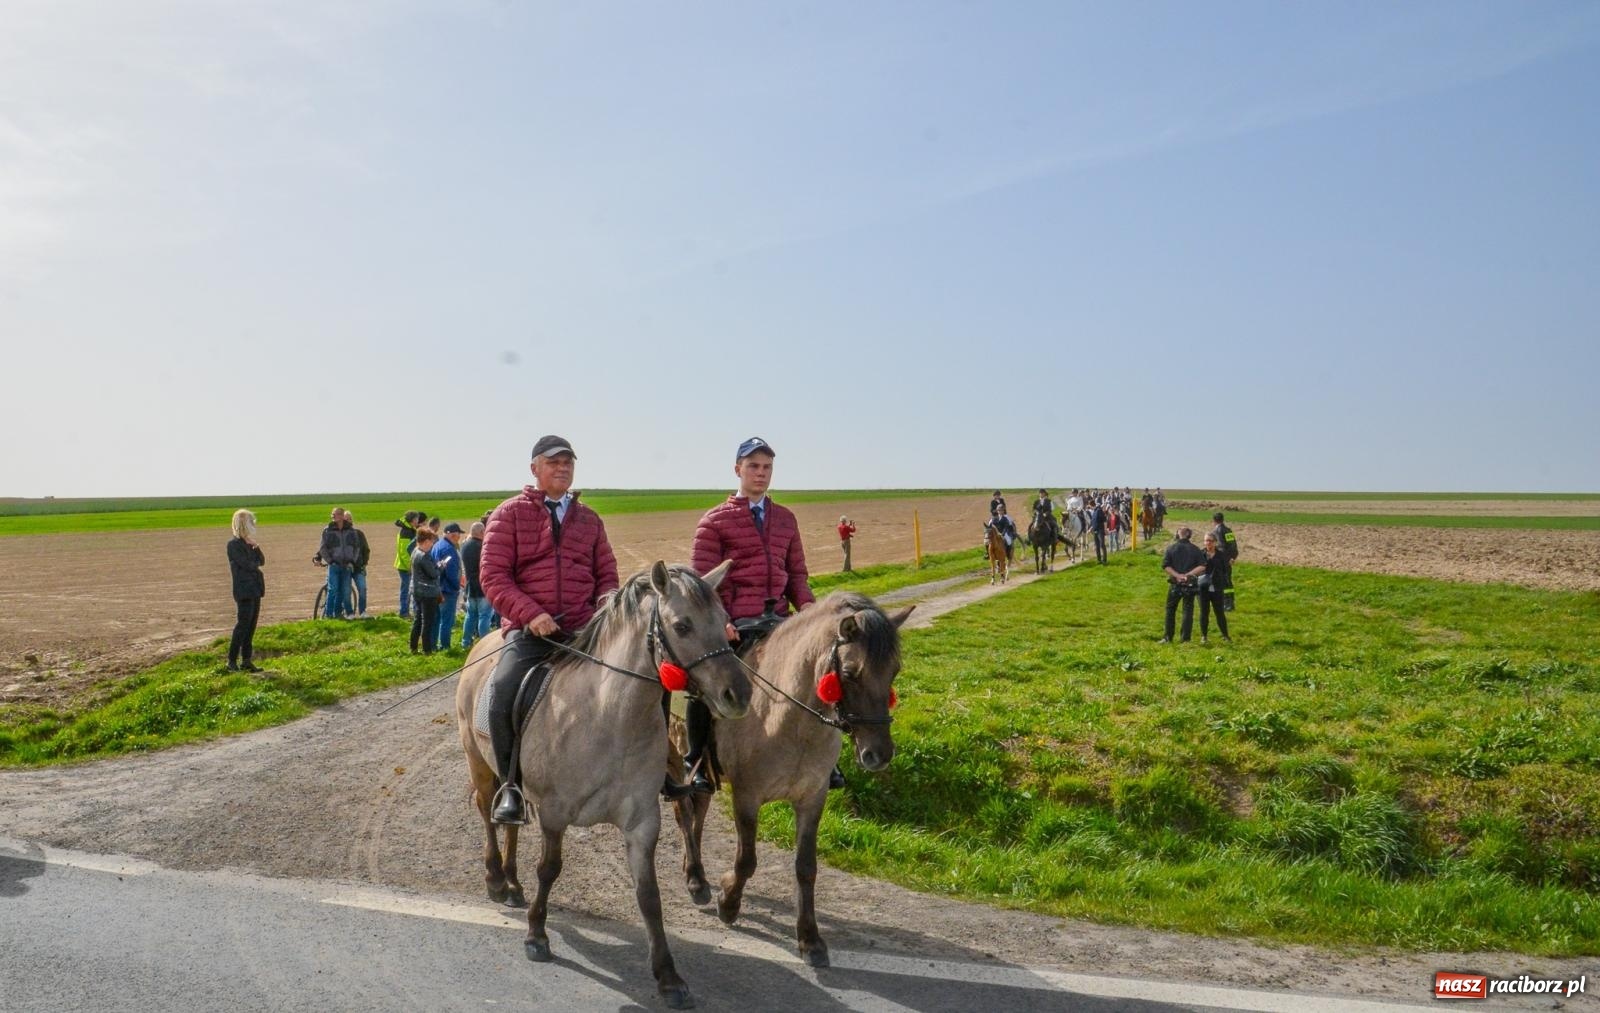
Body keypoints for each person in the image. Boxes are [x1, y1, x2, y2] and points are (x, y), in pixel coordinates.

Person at [480, 435, 619, 825]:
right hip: (531, 631)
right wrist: (530, 614)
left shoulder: (589, 519)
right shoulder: (508, 515)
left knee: (640, 675)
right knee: (503, 688)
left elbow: (606, 574)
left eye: (568, 463)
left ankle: (661, 769)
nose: (562, 468)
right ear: (534, 469)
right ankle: (511, 787)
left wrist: (605, 611)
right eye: (553, 462)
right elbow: (493, 576)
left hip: (583, 630)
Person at [687, 437, 819, 793]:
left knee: (821, 671)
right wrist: (722, 622)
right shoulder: (714, 522)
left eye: (767, 468)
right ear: (737, 470)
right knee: (704, 681)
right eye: (753, 467)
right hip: (735, 624)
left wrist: (807, 607)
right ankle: (696, 758)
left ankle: (822, 761)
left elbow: (797, 575)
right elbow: (703, 586)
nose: (761, 474)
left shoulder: (786, 520)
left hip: (779, 621)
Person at [226, 509, 265, 673]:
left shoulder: (249, 543)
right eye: (251, 522)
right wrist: (254, 561)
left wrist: (256, 548)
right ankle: (231, 661)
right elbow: (247, 564)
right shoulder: (234, 545)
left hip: (255, 589)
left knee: (251, 626)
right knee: (242, 626)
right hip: (244, 590)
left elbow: (261, 561)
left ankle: (246, 660)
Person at [1160, 527, 1208, 643]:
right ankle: (1185, 639)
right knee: (1188, 610)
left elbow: (1165, 565)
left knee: (1170, 609)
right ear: (1189, 535)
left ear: (1178, 535)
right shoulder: (1195, 549)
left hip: (1175, 584)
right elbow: (1202, 566)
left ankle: (1167, 637)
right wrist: (1188, 575)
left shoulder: (1171, 548)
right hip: (1189, 584)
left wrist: (1177, 575)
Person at [315, 507, 360, 618]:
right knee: (333, 589)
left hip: (347, 566)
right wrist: (330, 561)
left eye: (334, 514)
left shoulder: (350, 530)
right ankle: (328, 615)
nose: (332, 516)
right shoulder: (328, 530)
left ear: (340, 516)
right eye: (332, 514)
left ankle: (341, 613)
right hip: (334, 565)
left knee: (345, 590)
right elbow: (322, 548)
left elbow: (356, 547)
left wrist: (352, 561)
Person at [409, 529, 442, 655]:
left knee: (417, 620)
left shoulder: (415, 552)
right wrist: (441, 566)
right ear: (426, 541)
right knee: (427, 622)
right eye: (431, 541)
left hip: (417, 590)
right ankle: (427, 650)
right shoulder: (424, 556)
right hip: (428, 593)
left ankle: (413, 647)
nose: (432, 544)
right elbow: (434, 574)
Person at [432, 522, 465, 650]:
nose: (459, 536)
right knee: (447, 620)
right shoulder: (448, 549)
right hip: (447, 589)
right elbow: (451, 572)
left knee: (437, 619)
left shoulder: (438, 545)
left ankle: (433, 644)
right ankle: (445, 646)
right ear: (451, 534)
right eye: (458, 533)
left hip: (438, 588)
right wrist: (457, 586)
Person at [459, 521, 491, 650]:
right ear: (482, 532)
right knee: (485, 615)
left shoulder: (465, 545)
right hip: (482, 587)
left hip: (470, 587)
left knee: (470, 615)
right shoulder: (482, 547)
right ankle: (485, 644)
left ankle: (465, 642)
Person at [1199, 532, 1232, 644]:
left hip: (1217, 588)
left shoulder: (1221, 555)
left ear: (1215, 542)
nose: (1208, 543)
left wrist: (1223, 582)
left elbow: (1226, 570)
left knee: (1219, 612)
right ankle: (1204, 636)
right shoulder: (1200, 554)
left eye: (1211, 541)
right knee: (1204, 613)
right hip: (1203, 589)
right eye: (1206, 540)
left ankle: (1226, 635)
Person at [1210, 511, 1238, 611]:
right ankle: (1230, 602)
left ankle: (1227, 603)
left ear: (1213, 521)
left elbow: (1215, 548)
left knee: (1222, 582)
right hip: (1227, 560)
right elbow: (1233, 545)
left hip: (1220, 561)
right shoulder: (1228, 530)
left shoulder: (1214, 532)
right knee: (1227, 581)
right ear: (1222, 519)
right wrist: (1233, 558)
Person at [394, 510, 419, 618]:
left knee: (408, 589)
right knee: (406, 590)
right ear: (413, 520)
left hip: (405, 565)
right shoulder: (406, 532)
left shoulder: (409, 530)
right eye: (417, 519)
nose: (418, 521)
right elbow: (404, 551)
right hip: (405, 566)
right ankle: (404, 612)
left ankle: (407, 611)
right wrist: (409, 565)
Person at [347, 511, 371, 618]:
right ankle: (349, 613)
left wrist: (364, 563)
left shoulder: (359, 533)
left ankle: (363, 612)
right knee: (346, 591)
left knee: (362, 588)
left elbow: (366, 549)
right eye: (345, 519)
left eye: (349, 519)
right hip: (345, 568)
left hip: (358, 567)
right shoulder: (339, 535)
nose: (348, 521)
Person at [1088, 497, 1108, 564]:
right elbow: (1094, 522)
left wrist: (1105, 529)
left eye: (1089, 506)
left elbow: (1104, 520)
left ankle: (1104, 560)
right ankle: (1099, 560)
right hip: (1095, 531)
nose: (1089, 507)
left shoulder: (1099, 510)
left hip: (1100, 530)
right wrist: (1090, 529)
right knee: (1097, 546)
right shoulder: (1094, 512)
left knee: (1102, 545)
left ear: (1091, 505)